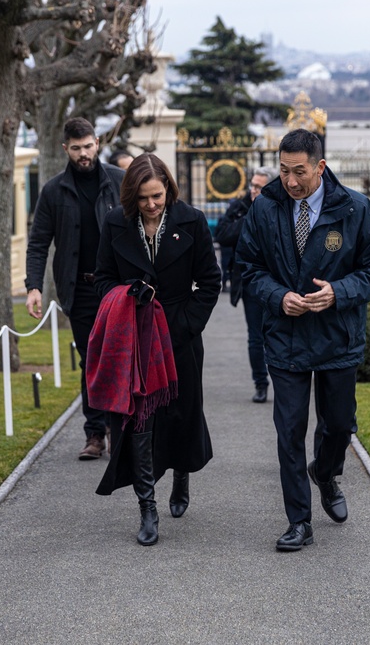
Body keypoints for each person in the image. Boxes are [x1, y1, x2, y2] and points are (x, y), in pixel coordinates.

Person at [235, 129, 370, 552]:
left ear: (320, 167)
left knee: (339, 424)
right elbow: (247, 268)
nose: (290, 181)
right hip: (285, 339)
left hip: (337, 337)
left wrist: (339, 293)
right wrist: (278, 296)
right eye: (284, 171)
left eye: (299, 172)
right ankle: (299, 521)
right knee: (288, 430)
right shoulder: (265, 208)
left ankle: (325, 473)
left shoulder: (357, 209)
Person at [92, 153, 221, 546]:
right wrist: (125, 295)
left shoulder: (192, 221)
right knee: (138, 421)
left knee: (182, 413)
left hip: (179, 337)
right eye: (144, 198)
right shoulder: (115, 222)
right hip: (135, 340)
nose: (151, 204)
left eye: (158, 196)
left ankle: (181, 474)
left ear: (168, 189)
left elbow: (211, 282)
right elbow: (102, 279)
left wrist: (183, 326)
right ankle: (146, 506)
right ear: (132, 195)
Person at [25, 117, 126, 461]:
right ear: (65, 148)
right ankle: (95, 433)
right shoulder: (53, 191)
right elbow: (39, 242)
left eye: (88, 146)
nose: (84, 154)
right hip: (79, 290)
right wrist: (33, 286)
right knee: (92, 360)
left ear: (98, 143)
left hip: (118, 289)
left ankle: (119, 427)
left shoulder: (118, 181)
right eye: (77, 148)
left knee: (120, 357)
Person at [213, 166, 278, 403]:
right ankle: (260, 383)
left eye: (259, 187)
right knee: (255, 337)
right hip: (250, 282)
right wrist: (250, 218)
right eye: (252, 185)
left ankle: (284, 382)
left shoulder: (281, 207)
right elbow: (221, 234)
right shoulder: (240, 207)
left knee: (277, 335)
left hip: (278, 283)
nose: (254, 190)